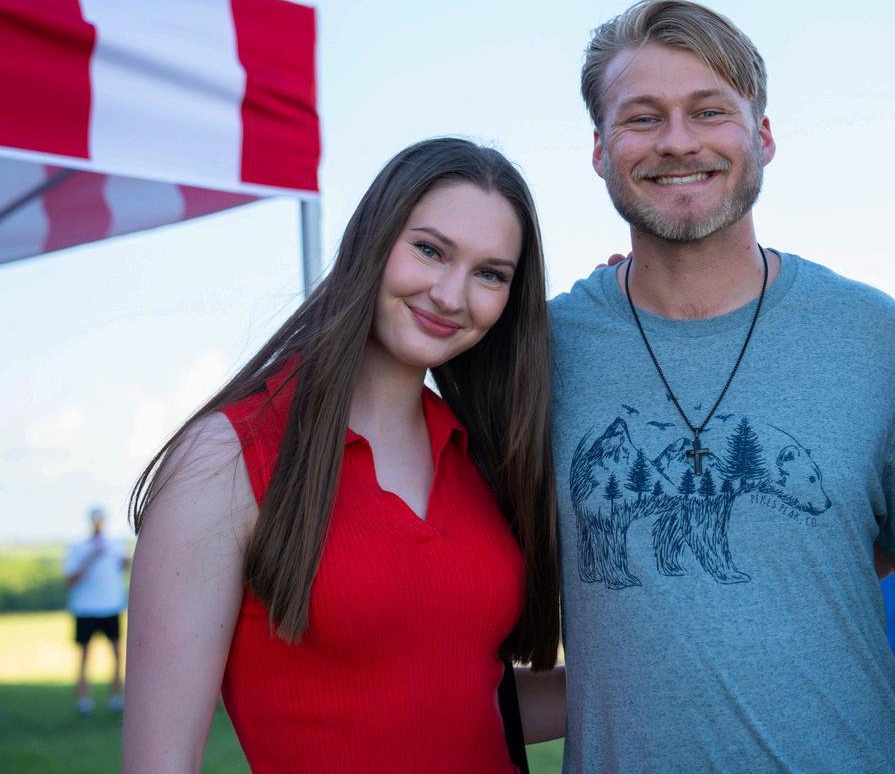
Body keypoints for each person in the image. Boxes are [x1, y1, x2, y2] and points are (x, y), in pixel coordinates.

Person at [551, 0, 895, 772]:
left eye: (709, 111)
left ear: (762, 134)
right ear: (599, 148)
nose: (677, 141)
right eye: (642, 118)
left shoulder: (871, 336)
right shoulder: (543, 350)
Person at [122, 138, 564, 773]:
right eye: (430, 250)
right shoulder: (226, 459)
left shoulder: (479, 455)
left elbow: (460, 701)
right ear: (371, 241)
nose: (451, 295)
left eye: (490, 274)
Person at [64, 506, 130, 715]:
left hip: (111, 607)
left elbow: (125, 567)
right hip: (85, 609)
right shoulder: (78, 547)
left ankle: (116, 698)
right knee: (84, 657)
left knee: (117, 655)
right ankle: (83, 701)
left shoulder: (115, 545)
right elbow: (70, 580)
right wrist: (91, 557)